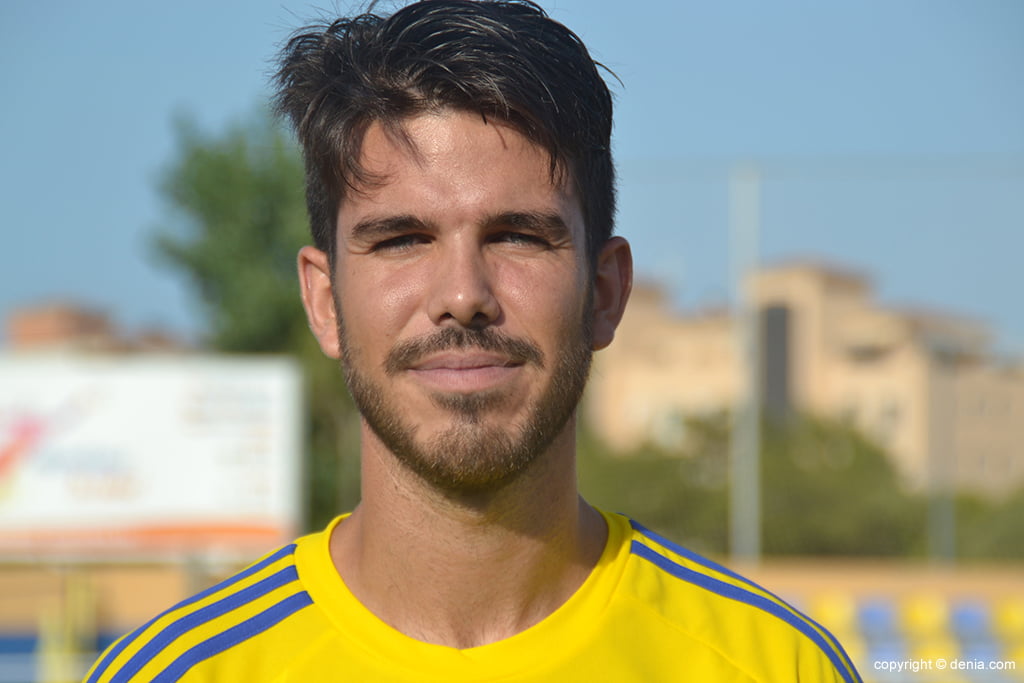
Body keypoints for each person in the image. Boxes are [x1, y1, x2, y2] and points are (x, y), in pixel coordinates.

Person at [85, 1, 861, 681]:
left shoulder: (777, 665)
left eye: (518, 235)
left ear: (604, 292)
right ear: (324, 301)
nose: (462, 295)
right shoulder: (178, 671)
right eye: (401, 239)